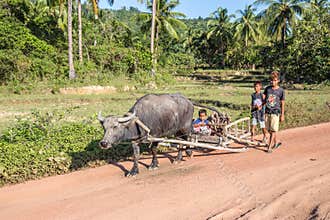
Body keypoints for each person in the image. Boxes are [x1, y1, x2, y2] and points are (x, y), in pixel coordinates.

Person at [263, 71, 285, 153]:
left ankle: (269, 147)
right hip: (267, 112)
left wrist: (282, 115)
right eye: (272, 80)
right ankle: (276, 142)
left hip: (275, 112)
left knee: (273, 130)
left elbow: (282, 102)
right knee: (269, 129)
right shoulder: (267, 89)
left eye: (275, 80)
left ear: (278, 80)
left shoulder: (281, 91)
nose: (273, 82)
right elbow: (264, 99)